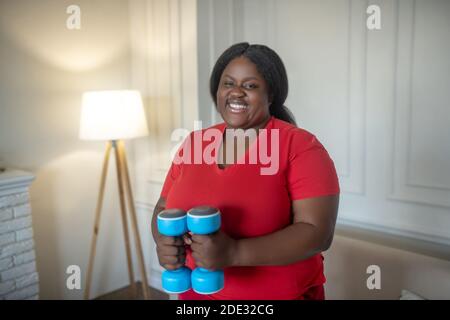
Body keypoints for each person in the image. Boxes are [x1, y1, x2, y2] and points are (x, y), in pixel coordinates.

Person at [151, 42, 340, 300]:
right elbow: (163, 207)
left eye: (250, 85)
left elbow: (317, 232)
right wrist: (163, 241)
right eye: (228, 83)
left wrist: (234, 252)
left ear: (271, 94)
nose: (236, 93)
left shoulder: (301, 147)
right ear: (217, 90)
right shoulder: (195, 143)